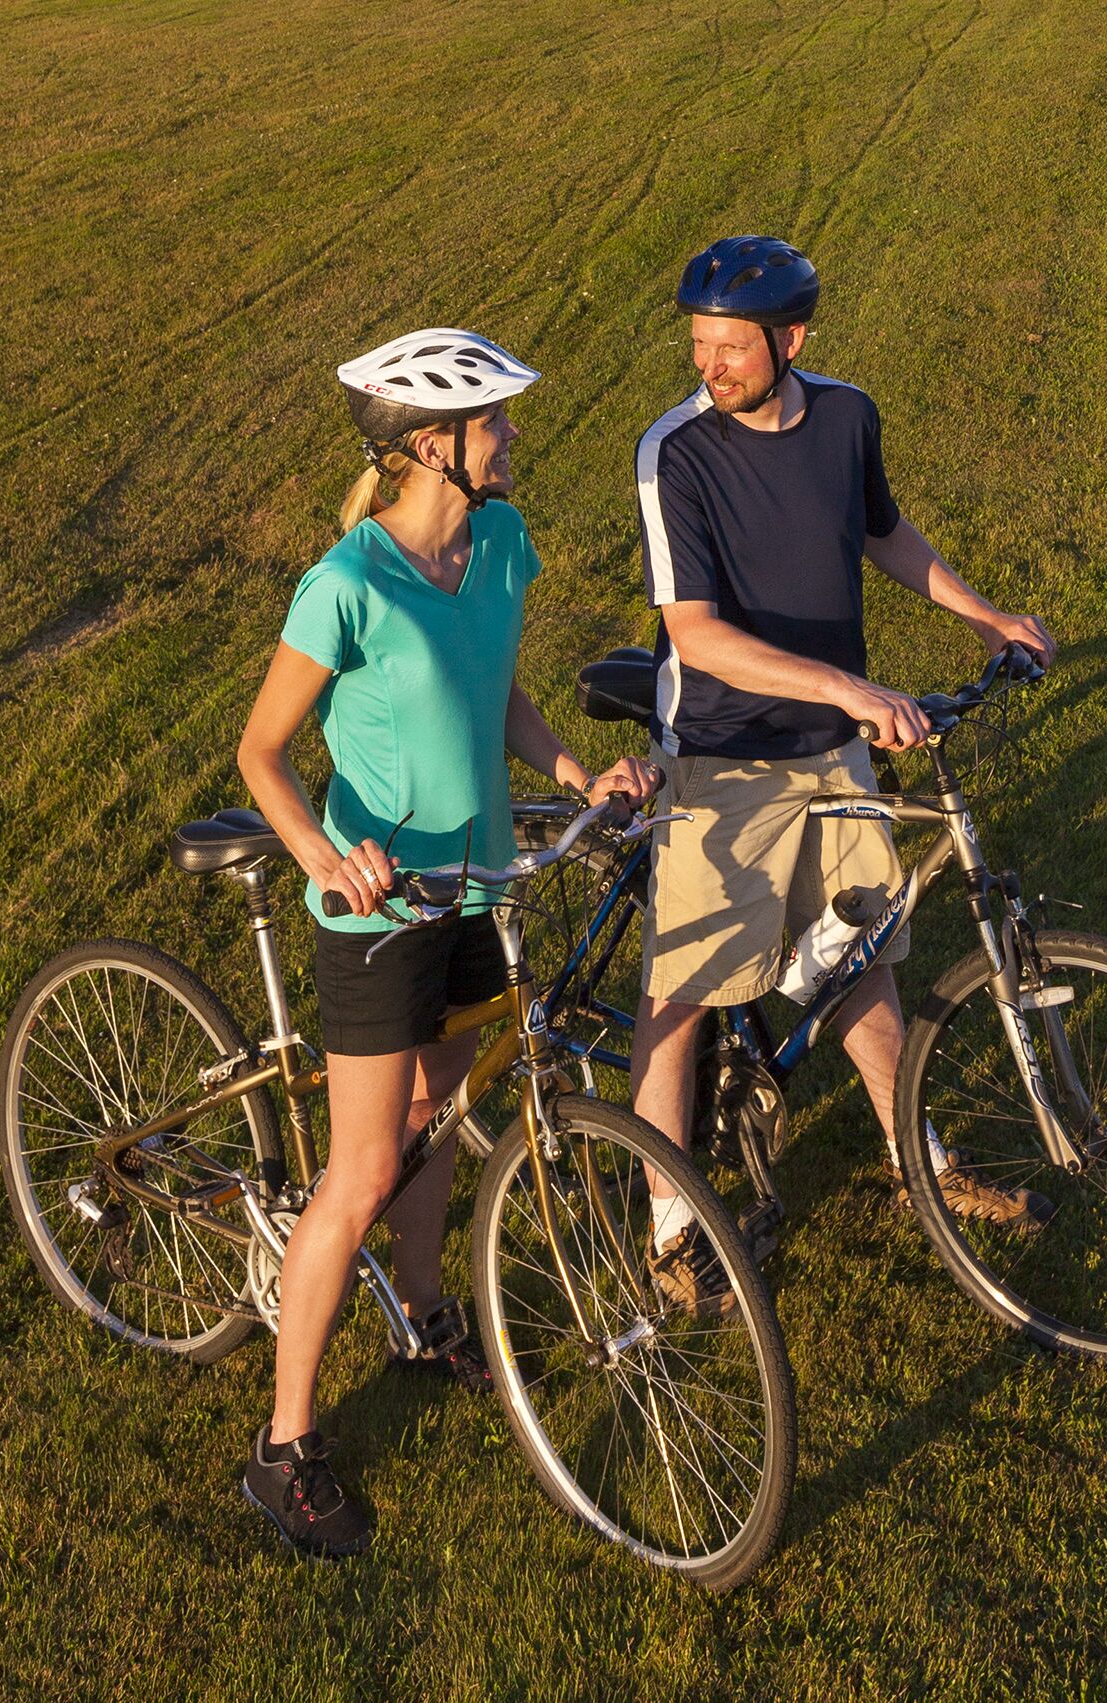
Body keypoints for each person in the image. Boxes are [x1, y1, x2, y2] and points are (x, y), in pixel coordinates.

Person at [233, 328, 657, 1559]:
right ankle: (283, 1445)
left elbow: (497, 693)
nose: (516, 436)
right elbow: (260, 752)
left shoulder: (504, 544)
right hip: (380, 915)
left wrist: (576, 765)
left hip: (478, 890)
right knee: (362, 1170)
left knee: (436, 1117)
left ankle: (418, 1318)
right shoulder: (347, 584)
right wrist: (327, 856)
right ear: (435, 447)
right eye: (497, 423)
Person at [627, 236, 1057, 1309]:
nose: (711, 365)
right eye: (699, 344)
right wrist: (850, 690)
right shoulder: (674, 453)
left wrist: (984, 612)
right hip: (727, 762)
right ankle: (671, 1229)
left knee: (863, 959)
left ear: (792, 339)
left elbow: (882, 531)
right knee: (682, 994)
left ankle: (928, 1166)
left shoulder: (848, 415)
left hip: (833, 749)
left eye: (732, 346)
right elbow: (697, 634)